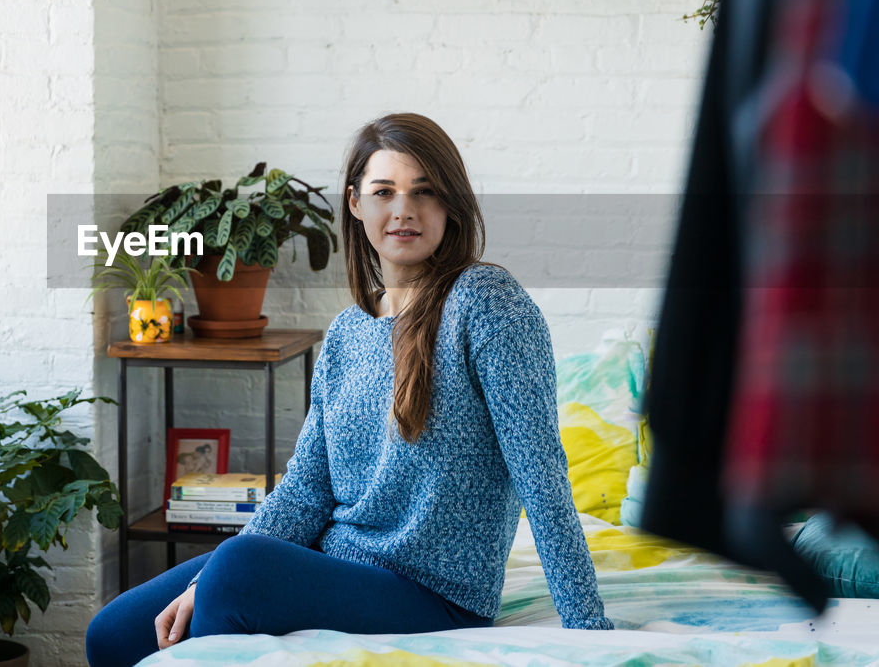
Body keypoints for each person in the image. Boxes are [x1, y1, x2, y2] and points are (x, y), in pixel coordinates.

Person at [86, 113, 612, 667]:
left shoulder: (487, 303)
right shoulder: (348, 331)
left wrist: (590, 629)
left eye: (424, 191)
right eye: (384, 191)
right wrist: (208, 577)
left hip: (435, 594)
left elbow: (541, 472)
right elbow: (305, 490)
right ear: (356, 203)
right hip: (337, 563)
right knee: (113, 633)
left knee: (238, 575)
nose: (404, 209)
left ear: (450, 205)